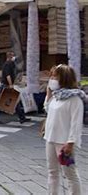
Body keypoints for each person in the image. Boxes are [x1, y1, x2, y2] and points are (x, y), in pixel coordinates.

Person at [44, 64, 83, 195]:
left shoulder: (75, 98)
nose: (52, 79)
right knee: (52, 171)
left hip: (64, 141)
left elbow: (76, 122)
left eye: (55, 76)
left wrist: (71, 142)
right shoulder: (56, 96)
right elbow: (47, 109)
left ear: (64, 78)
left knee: (70, 174)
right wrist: (48, 94)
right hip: (50, 138)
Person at [0, 51, 31, 124]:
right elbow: (8, 75)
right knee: (2, 103)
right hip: (6, 86)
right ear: (10, 56)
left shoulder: (8, 64)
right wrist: (10, 85)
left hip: (6, 85)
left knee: (15, 101)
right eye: (13, 56)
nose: (14, 57)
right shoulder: (8, 64)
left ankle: (22, 117)